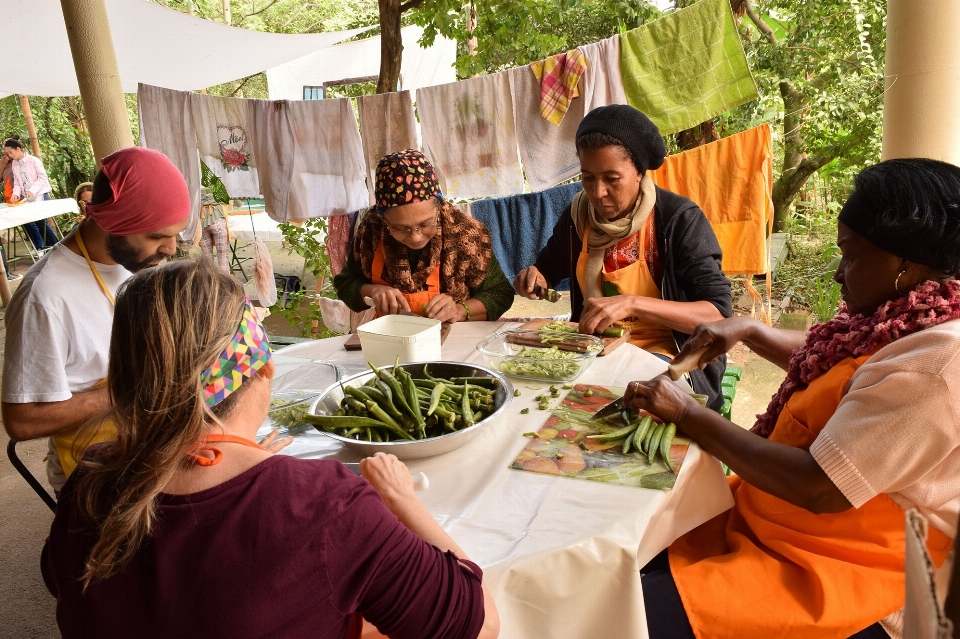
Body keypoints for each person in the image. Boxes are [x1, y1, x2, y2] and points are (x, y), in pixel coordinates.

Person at [41, 259, 500, 639]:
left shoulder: (90, 479)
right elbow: (476, 626)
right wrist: (402, 500)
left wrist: (243, 456)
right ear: (262, 369)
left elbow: (61, 580)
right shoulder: (327, 506)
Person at [626, 158, 960, 639]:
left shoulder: (935, 368)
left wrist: (686, 412)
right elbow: (837, 367)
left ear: (904, 262)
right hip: (770, 523)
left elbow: (819, 487)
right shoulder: (911, 315)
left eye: (852, 255)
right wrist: (748, 330)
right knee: (625, 564)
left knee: (623, 615)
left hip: (832, 569)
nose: (839, 274)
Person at [514, 105, 731, 409]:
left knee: (627, 404)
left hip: (669, 354)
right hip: (595, 347)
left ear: (639, 171)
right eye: (588, 177)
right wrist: (534, 277)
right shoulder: (578, 218)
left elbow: (718, 315)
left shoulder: (678, 220)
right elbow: (547, 269)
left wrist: (632, 303)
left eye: (611, 178)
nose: (597, 192)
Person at [2, 147, 193, 491]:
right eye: (157, 236)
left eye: (175, 233)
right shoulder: (44, 297)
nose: (170, 249)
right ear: (111, 222)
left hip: (152, 443)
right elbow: (21, 421)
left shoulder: (132, 262)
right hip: (98, 471)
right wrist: (134, 390)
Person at [334, 149, 515, 323]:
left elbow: (500, 293)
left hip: (456, 342)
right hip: (393, 340)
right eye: (400, 228)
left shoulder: (465, 234)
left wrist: (460, 310)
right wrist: (372, 291)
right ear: (383, 218)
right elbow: (345, 283)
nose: (415, 237)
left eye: (425, 224)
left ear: (438, 206)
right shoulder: (371, 230)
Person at [2, 136, 59, 250]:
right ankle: (46, 248)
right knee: (37, 223)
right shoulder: (15, 164)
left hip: (40, 194)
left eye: (10, 152)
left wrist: (32, 190)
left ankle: (57, 246)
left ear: (18, 149)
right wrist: (16, 194)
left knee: (42, 223)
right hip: (28, 197)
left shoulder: (33, 160)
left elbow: (42, 178)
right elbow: (18, 183)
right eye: (7, 153)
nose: (9, 156)